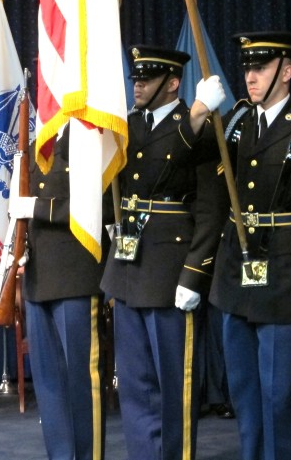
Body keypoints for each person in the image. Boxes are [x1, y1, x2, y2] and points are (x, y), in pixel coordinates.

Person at [181, 32, 291, 460]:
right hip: (237, 273)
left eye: (261, 67)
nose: (250, 76)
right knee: (245, 394)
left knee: (279, 395)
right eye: (247, 68)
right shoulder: (236, 120)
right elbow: (189, 160)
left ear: (286, 72)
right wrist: (199, 113)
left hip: (287, 278)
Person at [100, 45, 223, 460]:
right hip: (128, 264)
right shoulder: (126, 126)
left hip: (171, 269)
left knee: (175, 383)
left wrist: (194, 273)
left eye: (148, 79)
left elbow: (210, 209)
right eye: (136, 78)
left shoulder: (199, 128)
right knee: (135, 384)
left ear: (172, 83)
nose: (138, 85)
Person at [8, 121, 111, 460]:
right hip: (39, 280)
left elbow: (97, 206)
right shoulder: (39, 142)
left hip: (76, 277)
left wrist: (35, 207)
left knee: (83, 380)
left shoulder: (93, 137)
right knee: (49, 384)